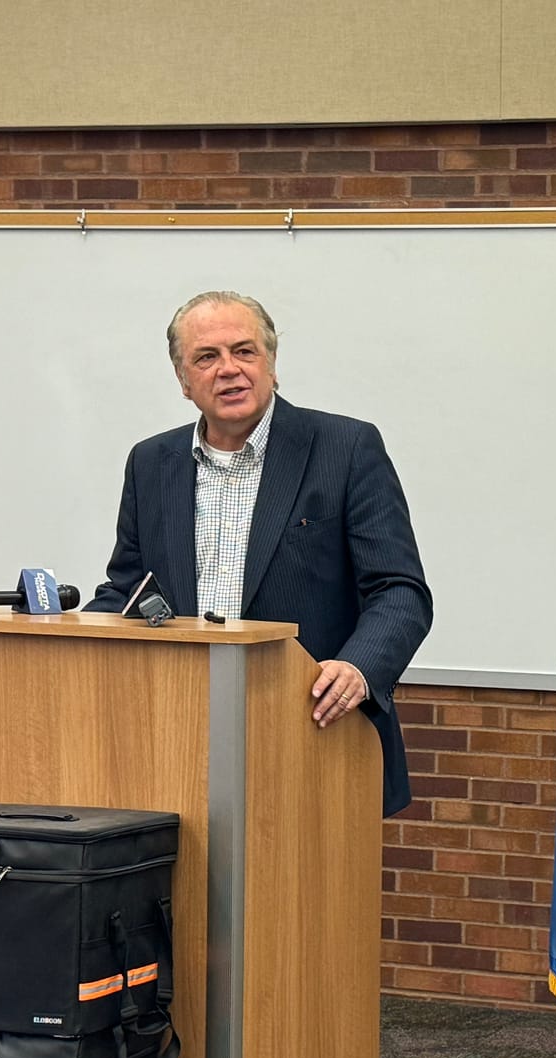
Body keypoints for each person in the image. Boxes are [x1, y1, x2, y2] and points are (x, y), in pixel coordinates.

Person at [88, 291, 431, 815]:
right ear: (183, 381)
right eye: (207, 357)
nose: (229, 370)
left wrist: (358, 669)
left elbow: (400, 591)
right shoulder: (151, 463)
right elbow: (129, 588)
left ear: (271, 363)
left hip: (314, 733)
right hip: (179, 739)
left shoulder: (346, 448)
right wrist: (68, 633)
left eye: (244, 351)